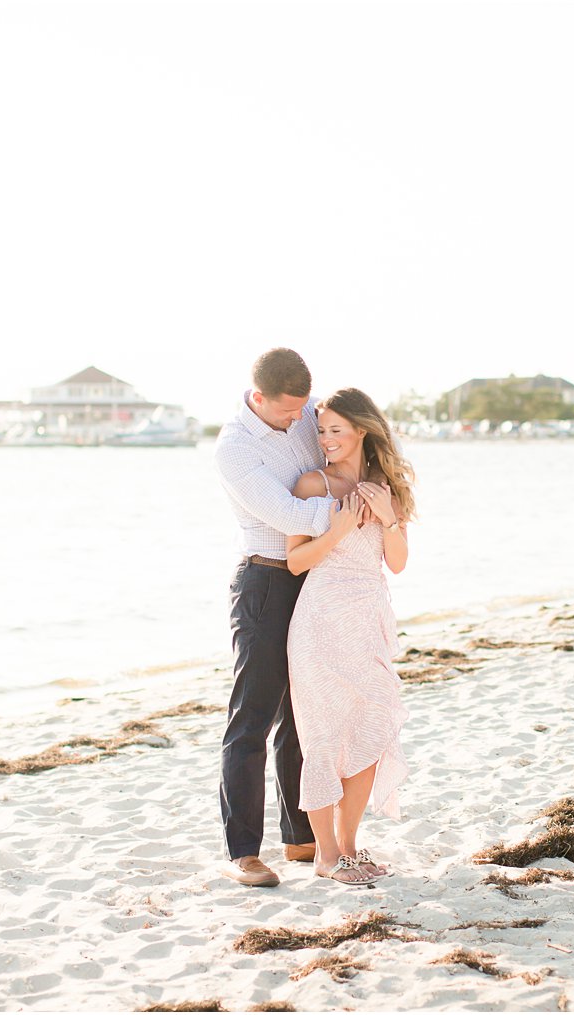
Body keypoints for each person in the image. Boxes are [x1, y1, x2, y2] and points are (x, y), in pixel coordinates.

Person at [212, 348, 350, 888]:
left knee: (304, 714)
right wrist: (355, 509)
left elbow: (350, 443)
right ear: (258, 396)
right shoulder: (236, 449)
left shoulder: (308, 409)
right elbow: (291, 514)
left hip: (315, 576)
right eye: (289, 411)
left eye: (303, 408)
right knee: (253, 719)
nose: (302, 420)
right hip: (266, 580)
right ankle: (243, 850)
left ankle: (299, 835)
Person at [285, 387, 415, 886]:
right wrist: (337, 531)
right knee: (322, 738)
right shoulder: (310, 485)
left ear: (362, 430)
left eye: (336, 430)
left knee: (370, 731)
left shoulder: (385, 486)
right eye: (321, 431)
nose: (327, 439)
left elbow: (398, 563)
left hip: (368, 621)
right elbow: (296, 562)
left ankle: (351, 848)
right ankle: (325, 854)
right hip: (320, 622)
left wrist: (387, 517)